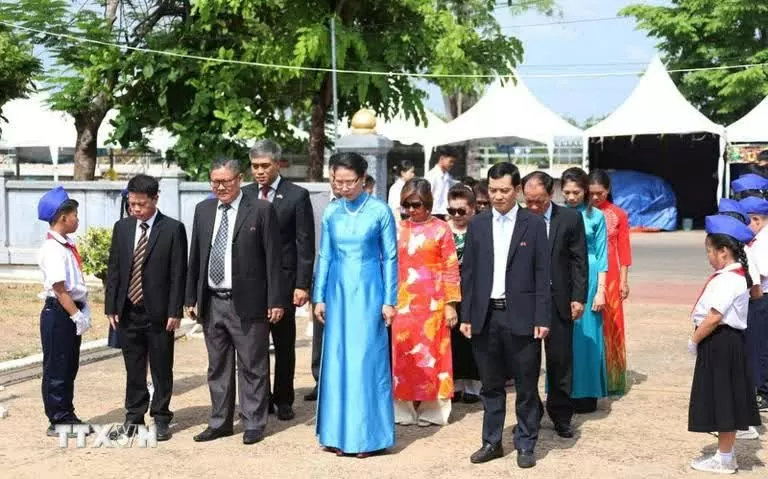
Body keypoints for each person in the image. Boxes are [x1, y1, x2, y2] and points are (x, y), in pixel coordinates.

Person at [185, 157, 285, 445]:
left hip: (249, 302)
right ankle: (220, 422)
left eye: (226, 181)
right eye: (215, 182)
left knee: (253, 364)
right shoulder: (203, 210)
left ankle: (254, 421)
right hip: (213, 301)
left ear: (239, 179)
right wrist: (191, 296)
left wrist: (275, 300)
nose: (220, 187)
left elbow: (273, 259)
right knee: (218, 366)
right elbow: (197, 257)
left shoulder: (262, 210)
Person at [459, 162, 551, 469]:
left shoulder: (534, 224)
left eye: (505, 190)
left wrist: (542, 317)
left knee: (526, 386)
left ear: (518, 190)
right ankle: (492, 442)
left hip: (522, 317)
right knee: (490, 385)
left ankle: (526, 444)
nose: (498, 196)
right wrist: (467, 314)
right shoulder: (478, 224)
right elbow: (468, 274)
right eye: (493, 190)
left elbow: (542, 274)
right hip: (486, 317)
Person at [312, 152, 397, 457]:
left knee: (365, 362)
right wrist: (318, 296)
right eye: (338, 181)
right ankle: (336, 433)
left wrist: (389, 300)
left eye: (349, 182)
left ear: (363, 180)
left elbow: (390, 258)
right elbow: (324, 255)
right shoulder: (331, 212)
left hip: (368, 293)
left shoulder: (380, 211)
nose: (343, 187)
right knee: (336, 362)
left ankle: (367, 437)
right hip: (336, 292)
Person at [104, 174, 187, 441]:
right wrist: (111, 306)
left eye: (141, 204)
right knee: (134, 366)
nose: (136, 209)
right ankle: (134, 416)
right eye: (132, 204)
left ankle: (161, 416)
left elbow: (178, 273)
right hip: (128, 310)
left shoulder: (173, 229)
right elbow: (115, 269)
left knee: (162, 366)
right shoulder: (123, 228)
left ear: (155, 199)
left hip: (160, 313)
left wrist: (176, 310)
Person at [242, 140, 316, 421]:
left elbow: (304, 244)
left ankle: (283, 398)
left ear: (277, 164)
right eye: (255, 166)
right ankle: (258, 399)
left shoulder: (296, 196)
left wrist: (302, 284)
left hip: (284, 283)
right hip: (251, 282)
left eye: (264, 166)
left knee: (284, 345)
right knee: (252, 347)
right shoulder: (246, 195)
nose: (259, 171)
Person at [687, 215, 761, 474]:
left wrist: (694, 340)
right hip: (722, 342)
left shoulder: (729, 279)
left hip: (720, 341)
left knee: (723, 400)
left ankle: (725, 458)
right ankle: (725, 455)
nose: (708, 257)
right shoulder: (732, 275)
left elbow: (714, 316)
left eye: (709, 251)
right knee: (723, 398)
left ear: (724, 251)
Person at [523, 171, 588, 434]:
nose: (534, 207)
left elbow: (579, 260)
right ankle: (532, 413)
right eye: (529, 201)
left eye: (539, 201)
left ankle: (561, 415)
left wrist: (578, 297)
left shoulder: (570, 218)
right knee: (526, 362)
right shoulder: (519, 219)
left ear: (551, 194)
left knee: (560, 361)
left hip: (559, 299)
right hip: (526, 301)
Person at [392, 178, 461, 426]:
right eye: (407, 205)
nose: (411, 210)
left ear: (428, 203)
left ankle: (434, 409)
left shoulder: (442, 228)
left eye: (416, 204)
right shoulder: (398, 228)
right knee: (403, 353)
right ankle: (403, 408)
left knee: (435, 356)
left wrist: (451, 304)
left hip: (434, 302)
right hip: (403, 302)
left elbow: (451, 267)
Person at [37, 186, 92, 436]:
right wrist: (76, 315)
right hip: (60, 313)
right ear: (63, 217)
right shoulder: (53, 249)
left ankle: (66, 413)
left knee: (69, 366)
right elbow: (60, 289)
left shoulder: (66, 245)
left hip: (68, 311)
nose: (77, 219)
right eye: (74, 215)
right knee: (57, 367)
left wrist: (84, 308)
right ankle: (57, 418)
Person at [560, 168, 609, 414]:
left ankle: (587, 393)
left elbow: (602, 256)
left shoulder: (597, 216)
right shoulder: (557, 215)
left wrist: (601, 291)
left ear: (586, 191)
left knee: (588, 338)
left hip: (589, 279)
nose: (571, 197)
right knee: (565, 337)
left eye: (576, 192)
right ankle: (564, 391)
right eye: (566, 192)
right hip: (563, 276)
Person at [588, 169, 632, 396]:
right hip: (587, 272)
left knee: (612, 323)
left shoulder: (618, 215)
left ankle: (612, 377)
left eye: (600, 193)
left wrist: (624, 281)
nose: (596, 198)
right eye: (592, 193)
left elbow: (624, 250)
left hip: (612, 276)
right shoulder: (580, 213)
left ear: (608, 191)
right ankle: (591, 372)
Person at [306, 166, 343, 402]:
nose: (338, 183)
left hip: (352, 279)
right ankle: (320, 380)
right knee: (320, 332)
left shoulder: (368, 206)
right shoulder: (314, 204)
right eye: (334, 177)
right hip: (320, 276)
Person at [446, 184, 482, 403]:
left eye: (461, 211)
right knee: (451, 338)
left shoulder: (480, 228)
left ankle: (473, 384)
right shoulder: (442, 228)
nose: (457, 215)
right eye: (452, 211)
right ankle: (454, 382)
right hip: (448, 290)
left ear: (473, 209)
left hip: (474, 288)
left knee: (471, 337)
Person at [738, 195, 768, 412]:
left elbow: (760, 276)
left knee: (761, 346)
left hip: (763, 298)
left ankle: (763, 392)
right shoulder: (758, 240)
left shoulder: (763, 242)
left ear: (756, 220)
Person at [425, 145, 459, 220]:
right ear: (442, 158)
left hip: (446, 215)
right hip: (433, 214)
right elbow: (426, 197)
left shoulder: (448, 177)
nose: (452, 164)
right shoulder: (431, 176)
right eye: (450, 161)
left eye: (453, 162)